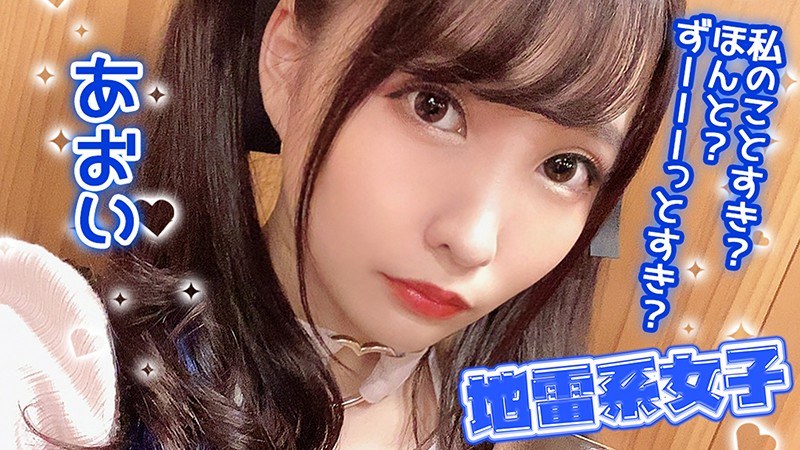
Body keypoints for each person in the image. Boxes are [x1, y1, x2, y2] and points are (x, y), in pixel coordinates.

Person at [7, 0, 685, 448]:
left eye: (565, 168)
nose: (473, 240)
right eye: (432, 106)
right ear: (289, 60)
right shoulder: (71, 370)